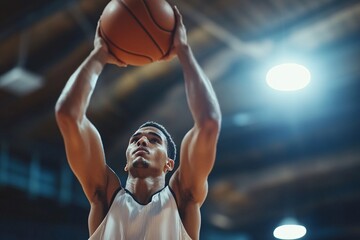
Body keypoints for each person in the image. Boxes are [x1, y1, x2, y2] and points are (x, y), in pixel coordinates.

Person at [55, 6, 221, 240]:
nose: (142, 140)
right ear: (125, 162)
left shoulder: (183, 199)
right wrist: (99, 54)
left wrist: (183, 50)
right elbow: (68, 115)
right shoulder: (104, 198)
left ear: (169, 164)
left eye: (154, 140)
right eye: (135, 139)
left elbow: (209, 123)